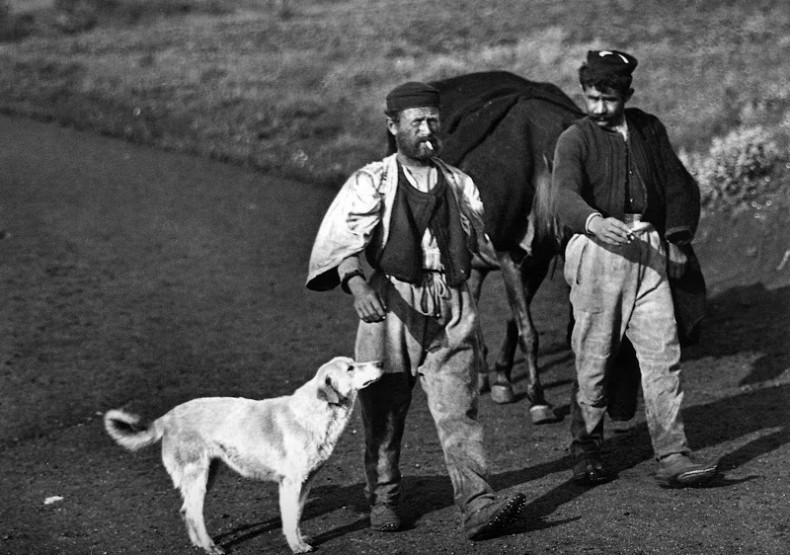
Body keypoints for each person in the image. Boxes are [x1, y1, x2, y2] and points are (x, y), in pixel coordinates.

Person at [306, 82, 527, 540]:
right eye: (416, 122)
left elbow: (478, 241)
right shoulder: (372, 181)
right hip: (392, 303)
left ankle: (478, 503)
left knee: (459, 409)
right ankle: (383, 497)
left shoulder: (459, 183)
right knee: (383, 410)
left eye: (433, 121)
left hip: (451, 301)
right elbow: (343, 242)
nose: (427, 130)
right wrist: (357, 285)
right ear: (393, 126)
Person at [551, 50, 720, 488]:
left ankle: (673, 454)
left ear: (627, 94)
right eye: (591, 98)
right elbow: (563, 194)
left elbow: (679, 183)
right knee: (593, 357)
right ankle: (586, 447)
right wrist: (592, 221)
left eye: (608, 99)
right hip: (597, 251)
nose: (598, 108)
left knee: (664, 355)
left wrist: (677, 239)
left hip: (648, 250)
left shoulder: (648, 128)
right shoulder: (575, 138)